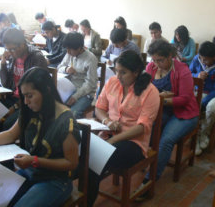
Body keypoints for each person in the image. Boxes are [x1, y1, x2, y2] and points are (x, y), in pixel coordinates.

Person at [0, 67, 80, 206]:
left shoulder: (65, 121)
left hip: (55, 180)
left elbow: (71, 163)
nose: (26, 102)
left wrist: (35, 161)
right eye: (24, 96)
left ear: (47, 91)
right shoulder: (30, 109)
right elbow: (10, 134)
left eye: (30, 96)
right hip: (30, 172)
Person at [87, 50, 160, 206]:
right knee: (87, 155)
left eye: (123, 72)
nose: (118, 76)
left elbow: (142, 127)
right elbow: (99, 108)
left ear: (136, 72)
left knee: (94, 163)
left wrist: (113, 140)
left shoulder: (150, 92)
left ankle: (86, 199)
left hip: (134, 143)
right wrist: (107, 121)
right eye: (116, 70)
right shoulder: (113, 82)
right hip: (108, 135)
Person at [144, 39, 199, 182]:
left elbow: (185, 99)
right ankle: (145, 161)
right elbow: (144, 88)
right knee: (145, 128)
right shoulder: (152, 67)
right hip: (164, 108)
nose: (156, 64)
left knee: (166, 140)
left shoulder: (182, 70)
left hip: (184, 113)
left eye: (160, 60)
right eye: (154, 60)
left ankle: (150, 179)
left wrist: (162, 100)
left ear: (170, 56)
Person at [0, 28, 48, 130]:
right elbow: (6, 85)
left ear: (21, 44)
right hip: (13, 98)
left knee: (7, 124)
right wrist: (3, 64)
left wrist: (16, 107)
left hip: (28, 102)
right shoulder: (13, 57)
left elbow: (37, 91)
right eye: (7, 49)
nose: (10, 53)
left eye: (12, 49)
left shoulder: (36, 57)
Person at [57, 32, 98, 119]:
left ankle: (75, 132)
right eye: (67, 49)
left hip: (85, 93)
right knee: (54, 108)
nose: (68, 52)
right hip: (68, 90)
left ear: (80, 48)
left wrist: (76, 96)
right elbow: (59, 67)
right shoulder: (69, 54)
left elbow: (90, 84)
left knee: (73, 114)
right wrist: (66, 69)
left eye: (70, 49)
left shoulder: (91, 59)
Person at [189, 41, 215, 155]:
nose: (203, 61)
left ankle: (204, 133)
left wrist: (206, 99)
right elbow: (188, 73)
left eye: (206, 59)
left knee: (211, 108)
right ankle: (194, 137)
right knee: (192, 105)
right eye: (201, 58)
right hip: (197, 91)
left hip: (212, 94)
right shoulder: (196, 59)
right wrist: (197, 76)